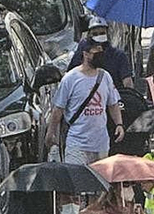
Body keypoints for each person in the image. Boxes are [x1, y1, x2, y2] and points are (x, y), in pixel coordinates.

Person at [47, 30, 123, 161]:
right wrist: (51, 132)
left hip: (101, 145)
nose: (100, 55)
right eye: (96, 52)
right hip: (77, 145)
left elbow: (113, 104)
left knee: (99, 181)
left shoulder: (105, 77)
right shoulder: (70, 79)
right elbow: (58, 109)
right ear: (86, 54)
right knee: (76, 181)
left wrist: (119, 124)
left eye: (101, 51)